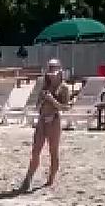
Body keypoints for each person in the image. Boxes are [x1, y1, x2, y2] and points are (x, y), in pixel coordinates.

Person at [19, 59, 70, 192]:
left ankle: (51, 178)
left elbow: (66, 107)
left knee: (53, 152)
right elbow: (37, 105)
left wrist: (52, 100)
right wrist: (42, 100)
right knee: (36, 151)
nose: (51, 71)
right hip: (42, 120)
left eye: (54, 68)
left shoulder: (64, 87)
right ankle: (28, 178)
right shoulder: (44, 85)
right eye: (49, 68)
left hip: (54, 120)